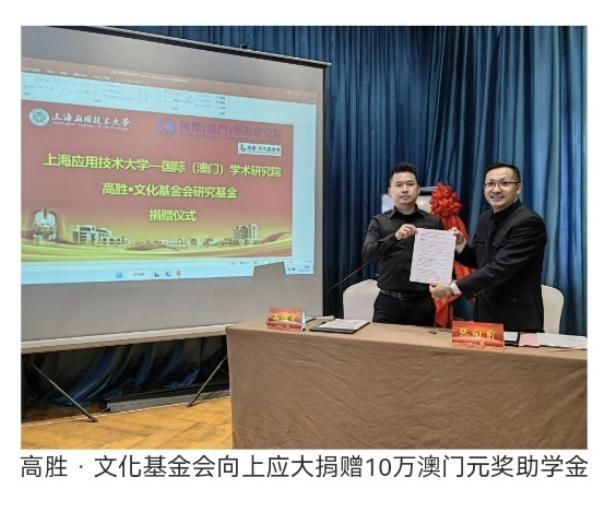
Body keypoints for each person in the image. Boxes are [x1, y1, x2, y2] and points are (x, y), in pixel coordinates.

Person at [429, 162, 547, 333]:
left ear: (518, 188)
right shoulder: (485, 218)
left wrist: (450, 289)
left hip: (516, 316)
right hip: (485, 311)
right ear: (484, 188)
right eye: (490, 183)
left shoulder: (528, 222)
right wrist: (460, 244)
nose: (496, 189)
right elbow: (478, 260)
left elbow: (500, 268)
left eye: (504, 183)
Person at [362, 162, 444, 326]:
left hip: (421, 304)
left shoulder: (433, 222)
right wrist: (394, 237)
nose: (405, 189)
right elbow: (368, 254)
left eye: (410, 184)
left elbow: (441, 262)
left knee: (421, 343)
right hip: (387, 304)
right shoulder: (379, 221)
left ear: (418, 189)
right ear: (390, 191)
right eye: (399, 185)